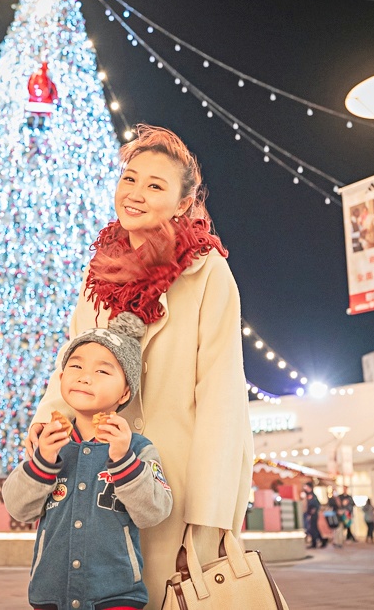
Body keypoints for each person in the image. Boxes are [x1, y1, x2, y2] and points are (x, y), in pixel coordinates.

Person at [23, 124, 253, 608]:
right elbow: (71, 362)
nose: (135, 193)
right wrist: (49, 420)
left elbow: (222, 397)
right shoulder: (100, 271)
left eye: (155, 185)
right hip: (98, 477)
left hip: (173, 483)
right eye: (130, 178)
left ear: (182, 203)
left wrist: (208, 514)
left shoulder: (207, 273)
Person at [3, 313, 173, 610]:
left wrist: (123, 460)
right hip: (50, 597)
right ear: (61, 378)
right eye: (76, 366)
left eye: (103, 371)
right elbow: (18, 508)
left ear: (125, 391)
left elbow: (154, 512)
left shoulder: (138, 448)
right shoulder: (49, 443)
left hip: (116, 597)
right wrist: (43, 461)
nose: (84, 376)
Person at [303, 482, 326, 549]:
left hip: (313, 515)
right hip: (310, 514)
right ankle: (317, 541)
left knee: (313, 528)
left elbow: (315, 505)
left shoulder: (312, 495)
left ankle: (319, 541)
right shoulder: (308, 495)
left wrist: (311, 513)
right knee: (313, 528)